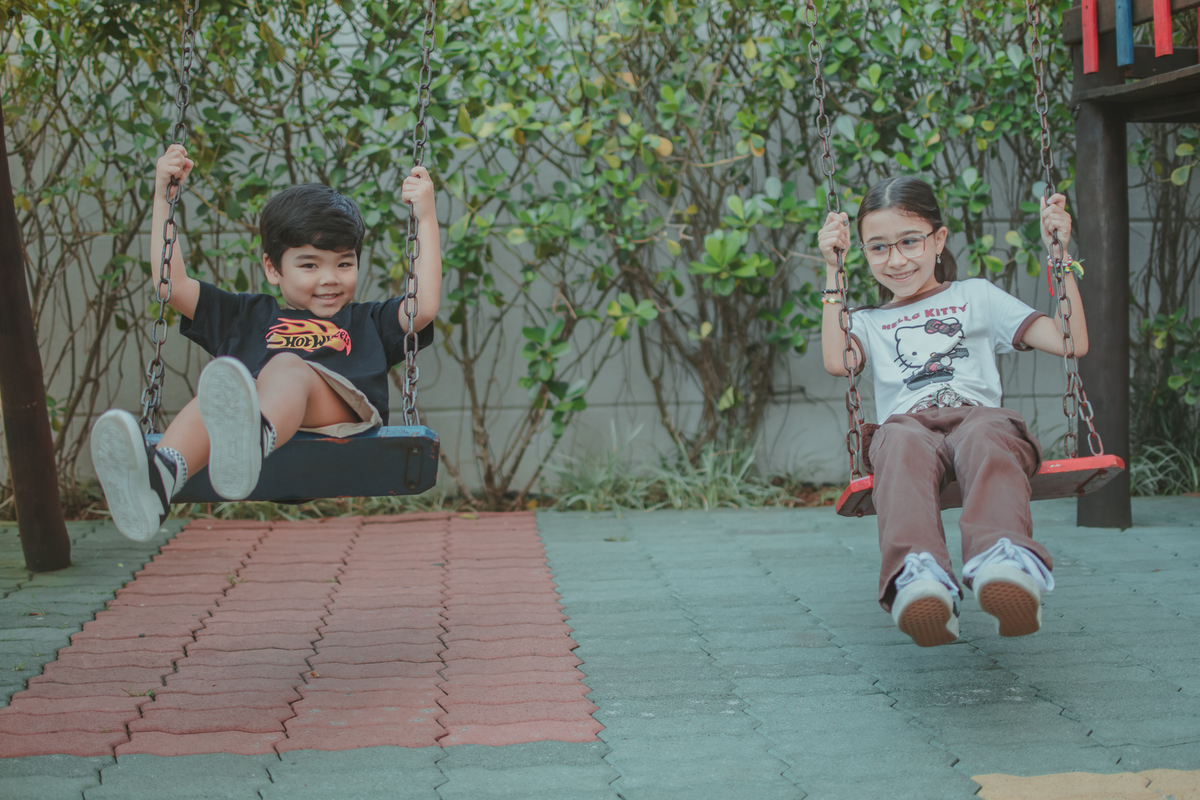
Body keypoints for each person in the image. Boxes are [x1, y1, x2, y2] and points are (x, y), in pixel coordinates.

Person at [90, 143, 441, 541]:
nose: (330, 278)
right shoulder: (245, 316)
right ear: (273, 269)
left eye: (344, 263)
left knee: (286, 366)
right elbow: (172, 287)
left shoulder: (368, 321)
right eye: (309, 264)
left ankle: (251, 438)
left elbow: (424, 305)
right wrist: (162, 197)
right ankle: (159, 479)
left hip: (341, 419)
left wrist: (426, 216)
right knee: (216, 397)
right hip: (254, 420)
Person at [816, 175, 1084, 647]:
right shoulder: (868, 322)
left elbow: (1070, 341)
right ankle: (919, 577)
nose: (896, 259)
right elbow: (839, 361)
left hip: (977, 419)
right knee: (896, 440)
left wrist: (1059, 256)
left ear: (938, 239)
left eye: (909, 241)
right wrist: (832, 272)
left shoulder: (976, 296)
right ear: (863, 253)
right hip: (910, 429)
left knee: (988, 433)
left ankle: (1003, 560)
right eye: (878, 248)